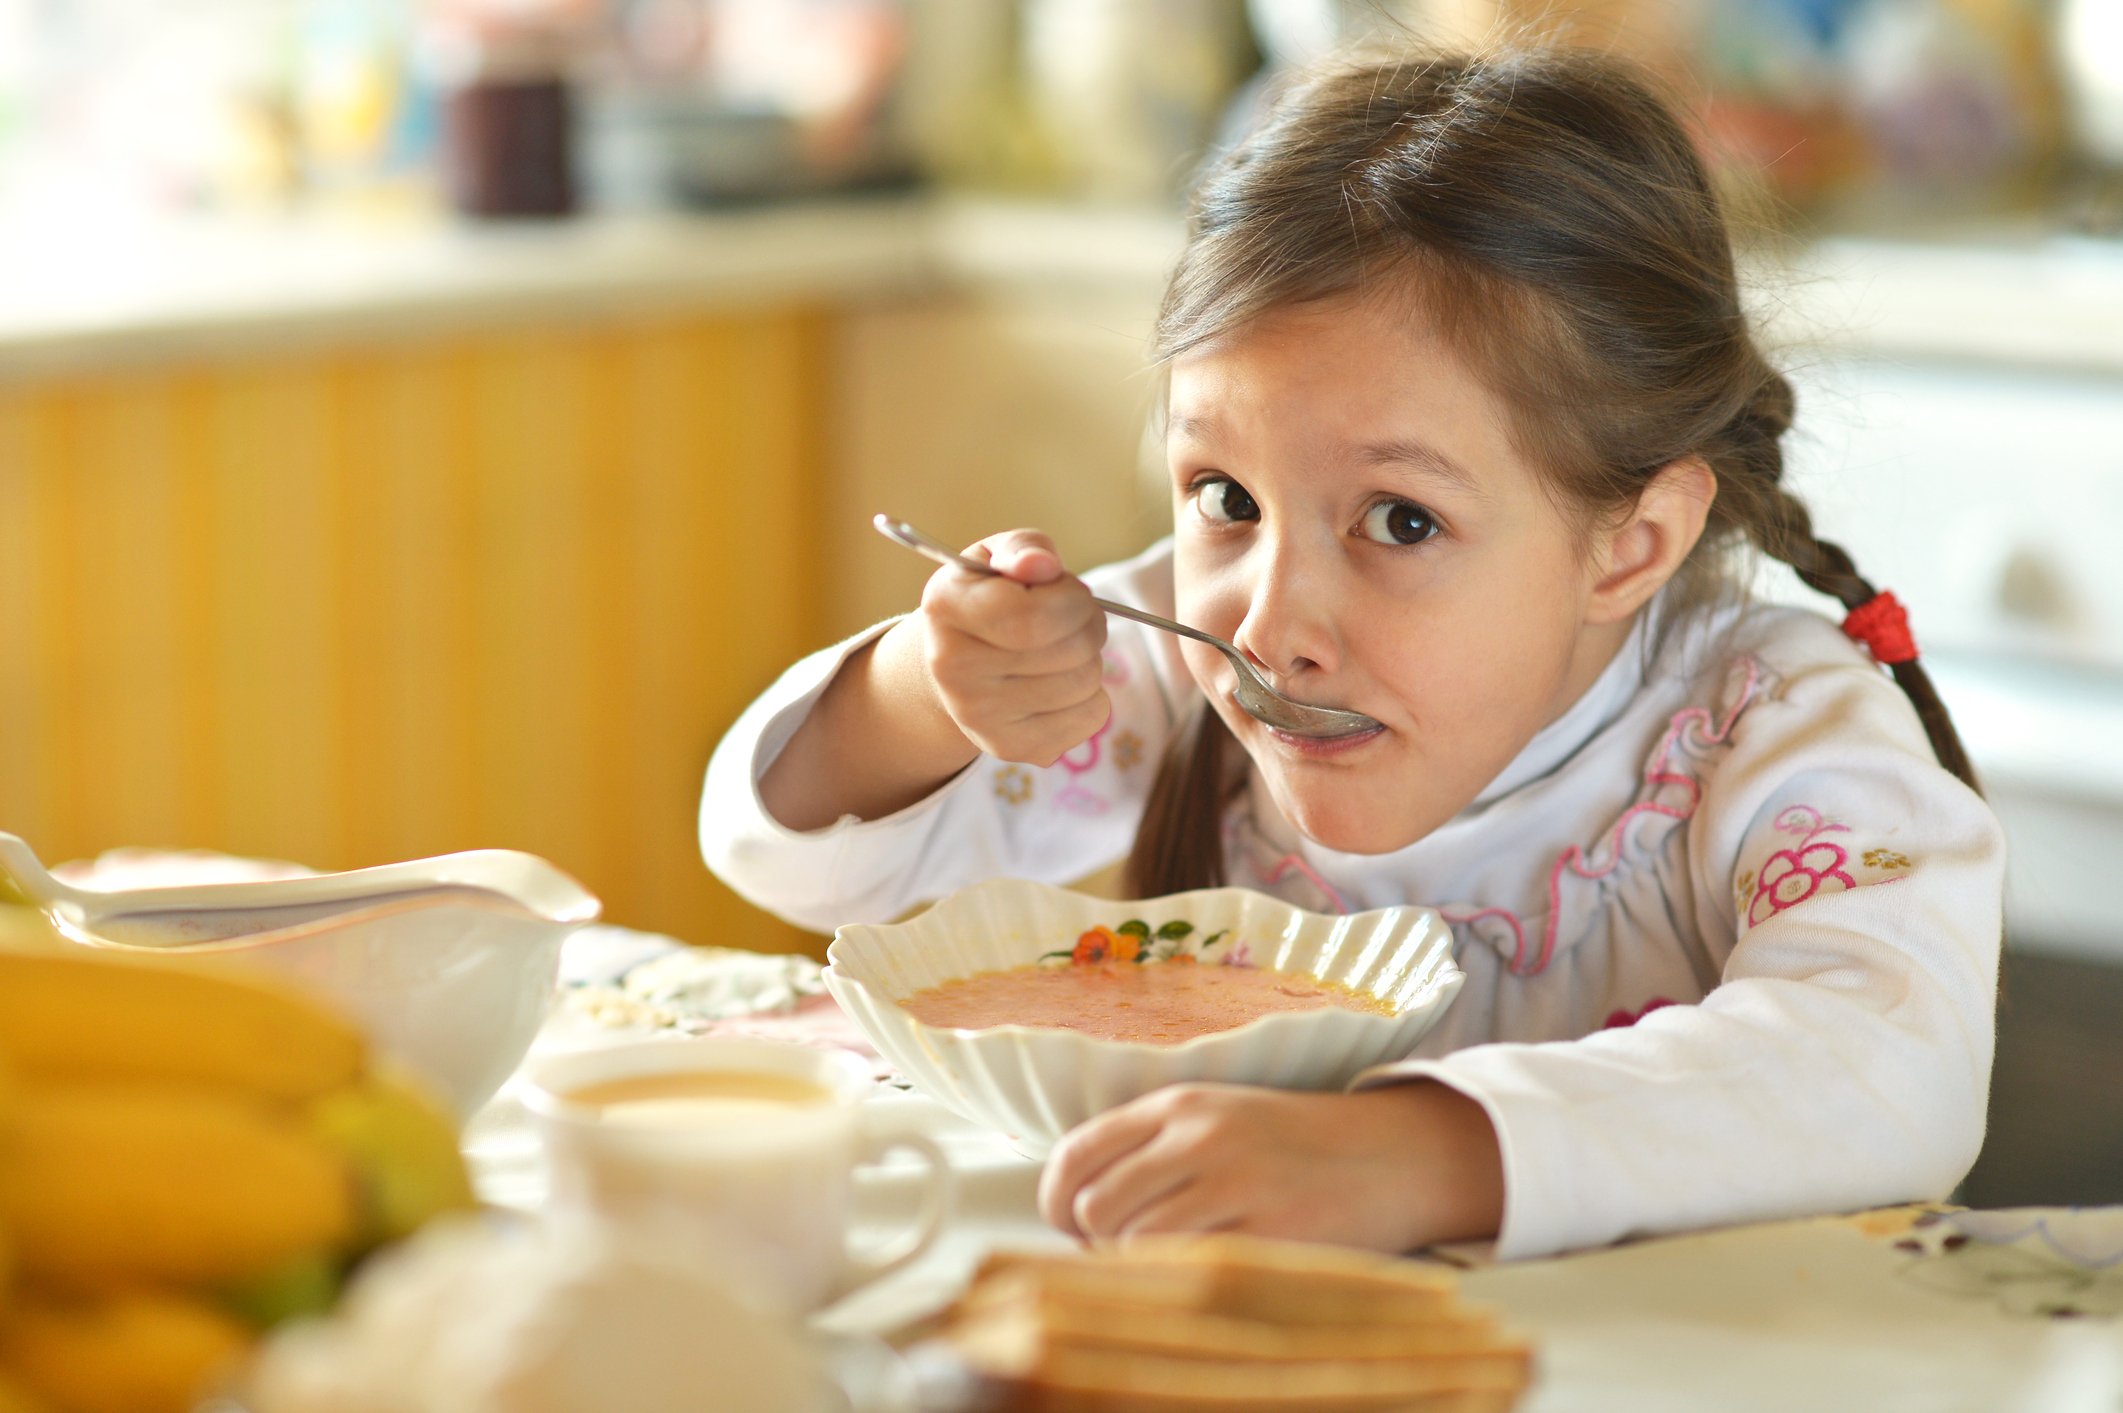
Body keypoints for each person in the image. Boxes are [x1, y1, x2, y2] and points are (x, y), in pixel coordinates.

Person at [700, 44, 2003, 1261]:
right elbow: (800, 852)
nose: (1268, 624)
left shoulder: (1766, 731)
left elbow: (1887, 1063)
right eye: (1224, 496)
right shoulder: (1169, 656)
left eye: (1400, 521)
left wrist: (1402, 1152)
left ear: (1630, 544)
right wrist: (932, 692)